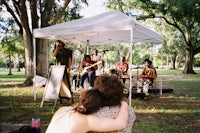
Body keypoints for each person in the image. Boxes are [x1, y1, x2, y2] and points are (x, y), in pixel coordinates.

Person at [46, 89, 129, 133]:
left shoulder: (63, 110)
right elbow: (121, 124)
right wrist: (124, 104)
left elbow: (76, 107)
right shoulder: (87, 121)